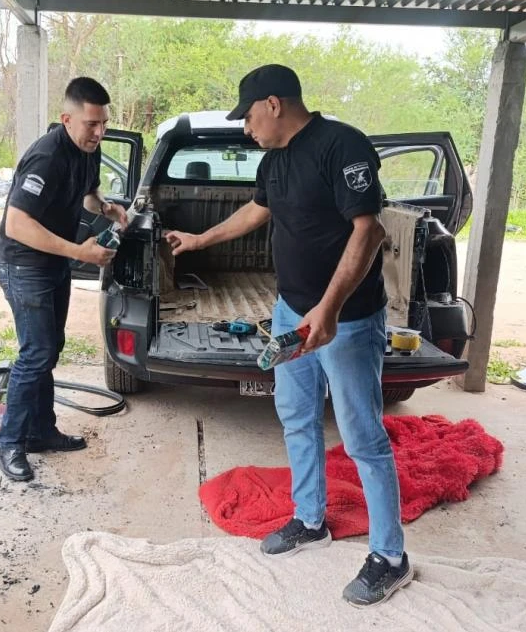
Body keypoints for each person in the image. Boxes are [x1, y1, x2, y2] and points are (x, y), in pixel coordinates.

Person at [165, 65, 411, 607]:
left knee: (362, 436)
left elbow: (368, 230)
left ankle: (391, 557)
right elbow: (259, 209)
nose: (246, 128)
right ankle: (310, 519)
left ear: (273, 104)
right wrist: (201, 238)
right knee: (296, 416)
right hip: (290, 313)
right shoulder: (274, 159)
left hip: (343, 319)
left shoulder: (341, 145)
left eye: (249, 116)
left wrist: (329, 308)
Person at [0, 77, 128, 482]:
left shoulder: (88, 150)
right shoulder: (46, 157)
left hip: (53, 262)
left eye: (103, 123)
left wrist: (105, 207)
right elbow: (16, 224)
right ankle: (9, 442)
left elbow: (87, 192)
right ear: (67, 119)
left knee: (50, 349)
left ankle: (41, 431)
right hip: (23, 263)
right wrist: (79, 251)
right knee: (36, 353)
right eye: (91, 124)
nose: (99, 132)